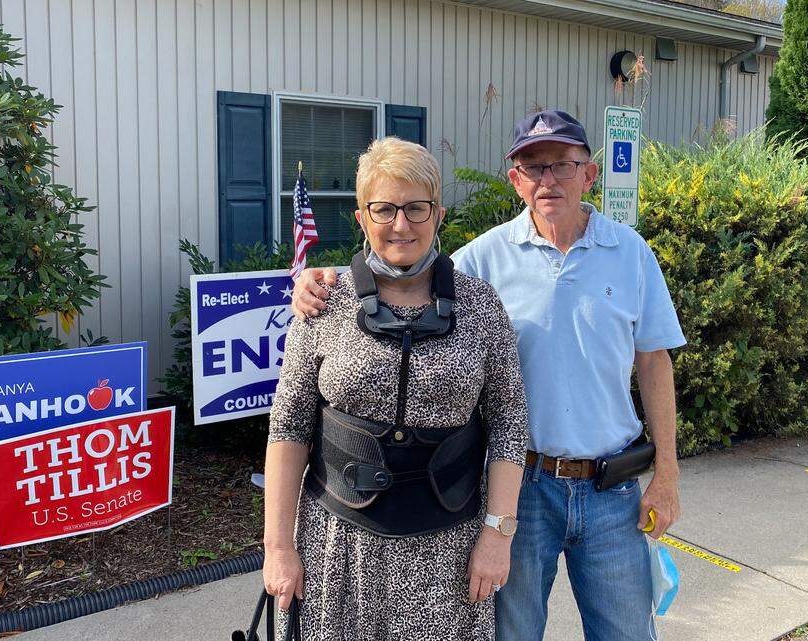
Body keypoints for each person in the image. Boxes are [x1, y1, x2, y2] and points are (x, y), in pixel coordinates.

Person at [292, 110, 686, 641]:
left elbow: (655, 363)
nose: (547, 180)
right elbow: (400, 268)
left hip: (612, 491)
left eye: (561, 166)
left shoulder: (632, 254)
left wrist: (667, 474)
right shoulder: (482, 260)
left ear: (588, 174)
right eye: (532, 168)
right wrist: (324, 281)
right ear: (515, 180)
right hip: (521, 489)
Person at [262, 136, 529, 640]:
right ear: (361, 217)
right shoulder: (323, 303)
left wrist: (498, 535)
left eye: (415, 208)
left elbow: (510, 426)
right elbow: (289, 426)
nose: (401, 225)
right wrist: (278, 547)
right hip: (337, 546)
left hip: (446, 552)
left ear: (439, 214)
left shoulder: (480, 306)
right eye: (384, 209)